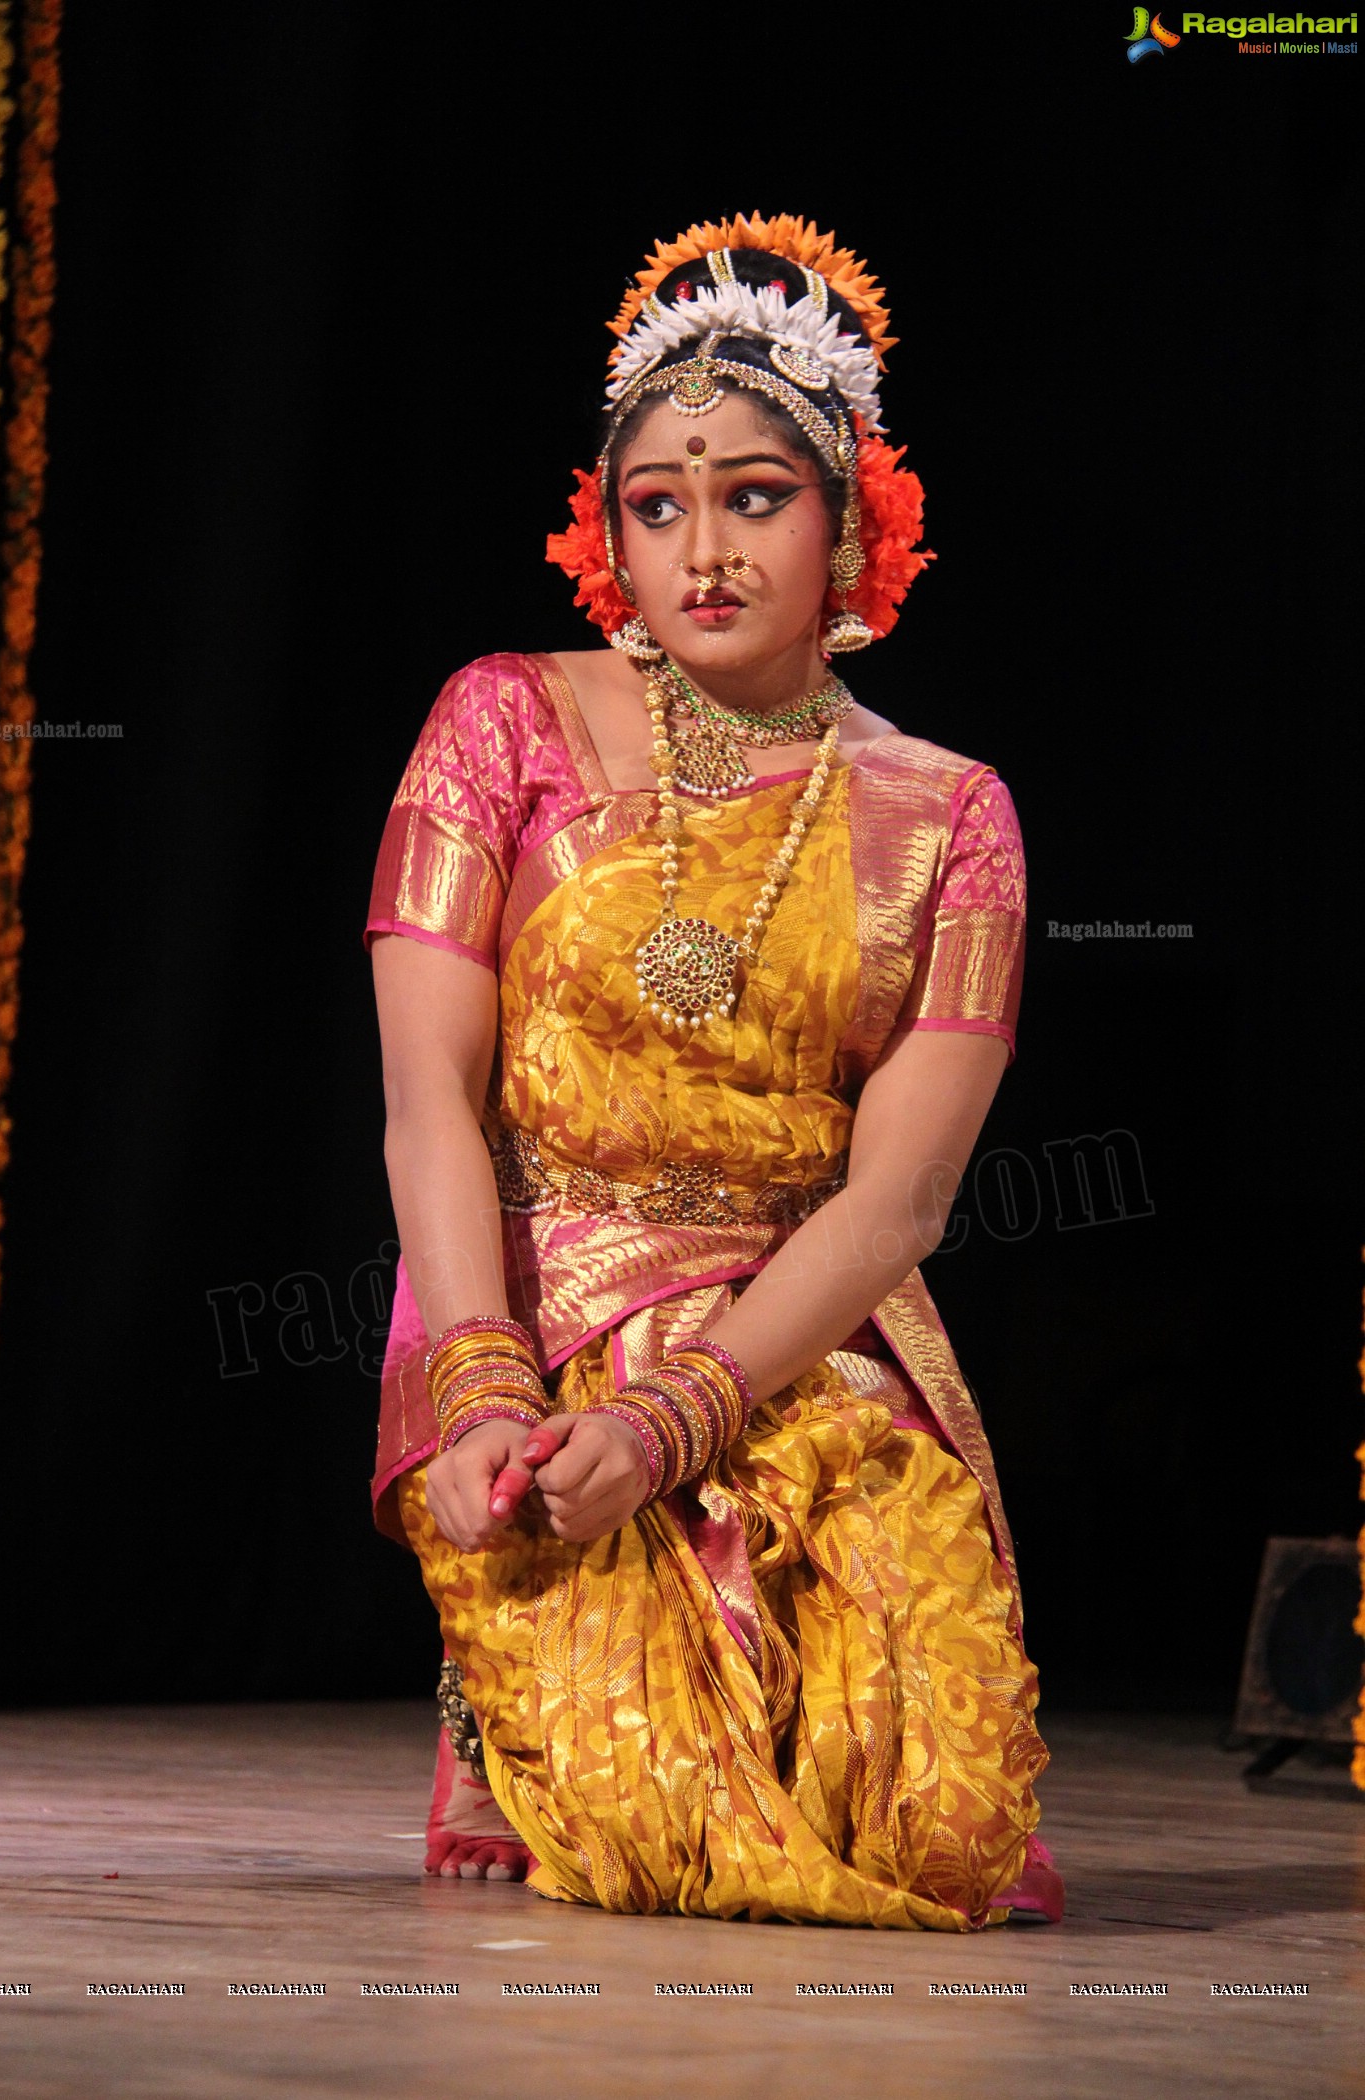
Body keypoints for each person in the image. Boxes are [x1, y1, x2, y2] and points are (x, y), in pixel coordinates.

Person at [364, 214, 1062, 1930]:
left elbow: (898, 1197)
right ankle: (503, 1696)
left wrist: (683, 1418)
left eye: (756, 495)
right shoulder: (502, 719)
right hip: (540, 1299)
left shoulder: (950, 812)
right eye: (656, 506)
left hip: (798, 1320)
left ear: (856, 523)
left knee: (937, 1826)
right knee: (663, 1817)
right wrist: (481, 1392)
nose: (705, 548)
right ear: (608, 537)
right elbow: (428, 1103)